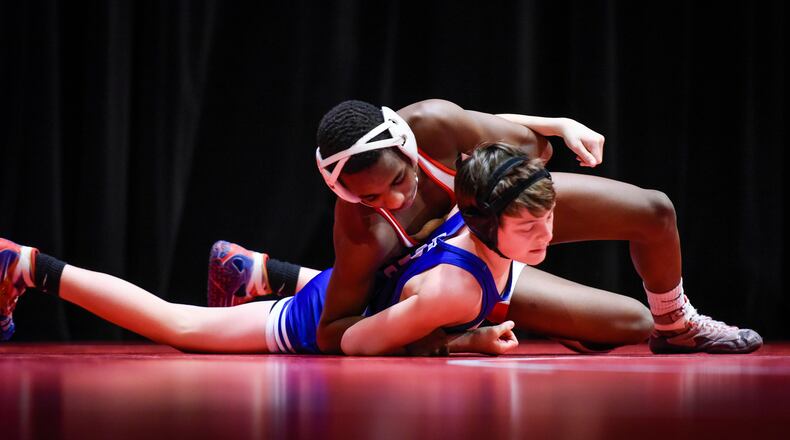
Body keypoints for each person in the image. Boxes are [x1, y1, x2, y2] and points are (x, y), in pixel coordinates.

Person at [208, 99, 762, 355]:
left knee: (652, 215)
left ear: (408, 145)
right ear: (343, 192)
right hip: (457, 279)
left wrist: (559, 124)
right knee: (620, 324)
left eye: (400, 181)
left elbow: (525, 144)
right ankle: (281, 278)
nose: (395, 199)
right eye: (369, 195)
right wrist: (452, 337)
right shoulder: (359, 231)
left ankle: (678, 323)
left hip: (496, 229)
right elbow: (337, 333)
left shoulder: (433, 125)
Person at [0, 145, 555, 357]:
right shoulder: (453, 290)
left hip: (363, 292)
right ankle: (28, 266)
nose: (546, 236)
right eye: (529, 226)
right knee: (178, 326)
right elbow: (356, 344)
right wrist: (458, 343)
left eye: (548, 219)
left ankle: (257, 271)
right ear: (485, 218)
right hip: (312, 323)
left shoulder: (473, 197)